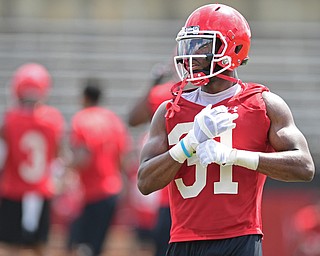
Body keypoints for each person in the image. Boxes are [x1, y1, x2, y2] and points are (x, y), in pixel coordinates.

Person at [137, 3, 315, 256]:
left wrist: (233, 156)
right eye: (190, 45)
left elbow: (304, 167)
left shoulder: (263, 104)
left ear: (233, 48)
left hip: (239, 239)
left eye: (202, 46)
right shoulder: (169, 110)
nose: (192, 55)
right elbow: (145, 181)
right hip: (182, 241)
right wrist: (187, 146)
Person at [0, 63, 66, 256]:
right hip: (41, 190)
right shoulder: (53, 119)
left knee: (10, 246)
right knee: (39, 245)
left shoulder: (9, 120)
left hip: (13, 190)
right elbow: (58, 156)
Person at [66, 78, 131, 256]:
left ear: (84, 98)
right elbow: (123, 157)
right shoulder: (113, 120)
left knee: (79, 245)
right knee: (96, 245)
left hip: (91, 193)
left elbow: (83, 156)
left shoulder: (81, 120)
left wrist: (67, 169)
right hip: (112, 190)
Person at [128, 62, 176, 256]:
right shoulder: (166, 93)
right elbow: (133, 119)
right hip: (172, 192)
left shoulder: (164, 92)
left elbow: (133, 119)